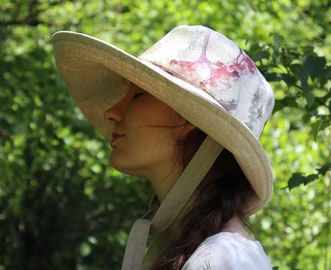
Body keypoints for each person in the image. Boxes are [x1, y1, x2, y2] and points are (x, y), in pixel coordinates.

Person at [53, 25, 275, 269]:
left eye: (137, 96)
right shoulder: (197, 251)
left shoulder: (221, 259)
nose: (111, 113)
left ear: (189, 119)